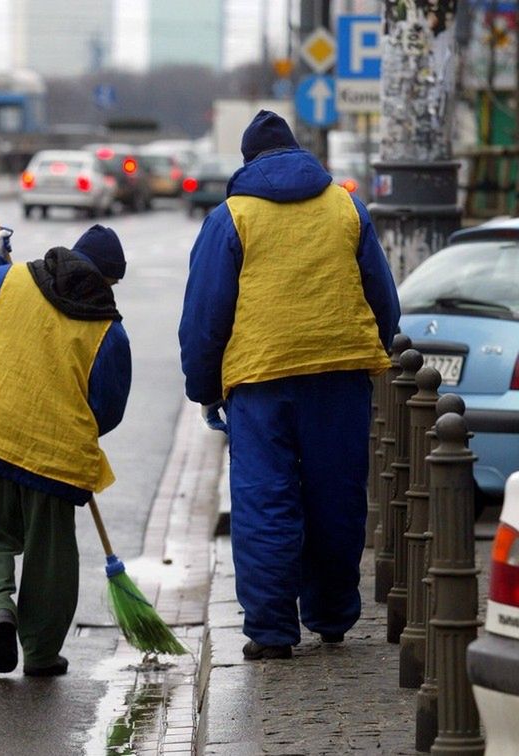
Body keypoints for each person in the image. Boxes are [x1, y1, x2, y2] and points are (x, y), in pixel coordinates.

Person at [178, 110, 400, 660]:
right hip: (341, 375)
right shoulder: (346, 206)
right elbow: (382, 294)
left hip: (261, 382)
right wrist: (383, 344)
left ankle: (272, 633)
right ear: (301, 154)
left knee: (265, 503)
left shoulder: (232, 217)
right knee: (337, 496)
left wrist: (205, 387)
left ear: (248, 161)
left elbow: (207, 315)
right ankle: (331, 617)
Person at [0, 223, 131, 676]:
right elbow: (108, 410)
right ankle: (41, 653)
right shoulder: (107, 331)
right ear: (108, 280)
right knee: (52, 553)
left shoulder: (9, 279)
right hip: (55, 456)